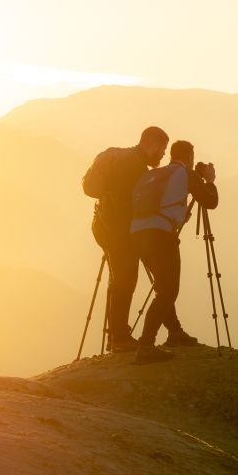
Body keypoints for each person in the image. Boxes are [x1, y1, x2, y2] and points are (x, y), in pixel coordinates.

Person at [130, 140, 218, 364]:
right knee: (168, 290)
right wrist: (209, 180)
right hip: (161, 236)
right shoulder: (186, 175)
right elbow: (210, 201)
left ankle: (175, 333)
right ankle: (146, 345)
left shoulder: (159, 174)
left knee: (163, 286)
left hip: (138, 234)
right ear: (189, 156)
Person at [82, 126, 169, 352]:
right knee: (126, 279)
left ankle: (116, 335)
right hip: (117, 230)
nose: (163, 155)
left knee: (119, 278)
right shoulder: (135, 167)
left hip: (102, 224)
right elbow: (131, 206)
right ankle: (120, 337)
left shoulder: (123, 157)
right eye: (162, 149)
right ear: (152, 144)